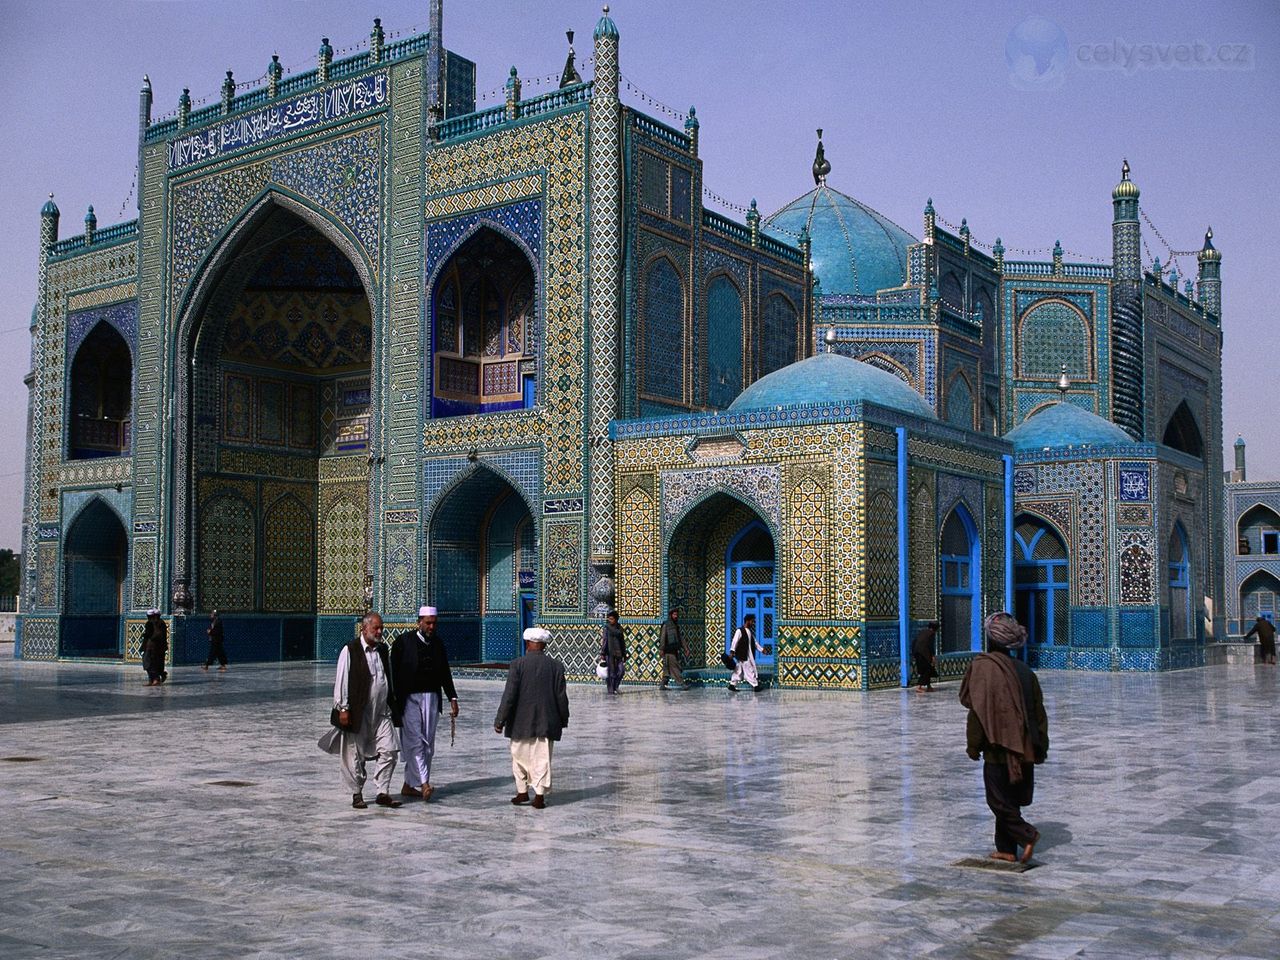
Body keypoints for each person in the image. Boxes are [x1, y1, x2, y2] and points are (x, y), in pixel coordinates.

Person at [959, 612, 1049, 864]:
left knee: (998, 800)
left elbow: (978, 710)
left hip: (997, 746)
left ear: (990, 639)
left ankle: (1026, 835)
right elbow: (1039, 712)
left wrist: (973, 744)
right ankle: (1007, 850)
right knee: (1010, 800)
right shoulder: (1025, 671)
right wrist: (1040, 745)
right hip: (1026, 745)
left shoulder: (984, 668)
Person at [494, 627, 570, 809]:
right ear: (544, 645)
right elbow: (561, 697)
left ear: (528, 643)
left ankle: (522, 792)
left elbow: (509, 695)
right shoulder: (556, 666)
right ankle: (539, 796)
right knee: (541, 758)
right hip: (546, 722)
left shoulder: (517, 665)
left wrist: (500, 720)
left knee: (519, 757)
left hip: (520, 722)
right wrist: (563, 718)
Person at [389, 605, 459, 802]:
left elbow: (445, 672)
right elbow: (393, 673)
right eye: (428, 623)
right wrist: (393, 700)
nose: (431, 627)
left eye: (434, 623)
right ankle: (424, 783)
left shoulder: (437, 644)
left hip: (431, 697)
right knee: (415, 741)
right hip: (409, 698)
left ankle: (409, 785)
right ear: (419, 622)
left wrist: (452, 697)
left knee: (428, 744)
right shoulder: (403, 642)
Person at [332, 612, 401, 810]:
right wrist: (343, 708)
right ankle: (357, 793)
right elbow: (342, 680)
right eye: (376, 628)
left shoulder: (382, 650)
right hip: (358, 712)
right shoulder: (350, 650)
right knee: (355, 754)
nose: (379, 632)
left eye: (381, 628)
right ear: (364, 628)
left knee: (389, 750)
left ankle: (382, 791)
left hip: (381, 712)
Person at [727, 613, 764, 692]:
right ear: (747, 621)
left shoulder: (749, 632)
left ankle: (732, 685)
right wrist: (732, 651)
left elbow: (755, 642)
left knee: (738, 670)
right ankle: (755, 685)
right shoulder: (739, 631)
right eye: (752, 621)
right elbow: (734, 641)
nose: (753, 623)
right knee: (749, 670)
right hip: (743, 655)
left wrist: (761, 649)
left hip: (745, 655)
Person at [659, 608, 691, 690]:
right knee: (675, 667)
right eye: (674, 614)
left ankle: (663, 685)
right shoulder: (666, 625)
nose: (676, 616)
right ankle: (682, 684)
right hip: (668, 651)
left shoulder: (675, 625)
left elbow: (680, 638)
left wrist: (686, 648)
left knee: (667, 669)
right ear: (671, 615)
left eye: (677, 615)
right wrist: (661, 649)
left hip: (674, 650)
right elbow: (662, 637)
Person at [601, 610, 626, 694]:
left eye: (612, 619)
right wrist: (603, 653)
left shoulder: (619, 629)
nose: (610, 620)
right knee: (611, 673)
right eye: (609, 619)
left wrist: (624, 654)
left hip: (618, 653)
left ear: (616, 619)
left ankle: (615, 686)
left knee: (621, 671)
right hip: (610, 653)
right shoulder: (607, 629)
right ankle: (611, 689)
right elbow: (605, 641)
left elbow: (622, 642)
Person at [141, 609, 168, 686]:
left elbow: (155, 635)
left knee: (150, 663)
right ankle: (154, 679)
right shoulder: (159, 623)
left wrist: (146, 636)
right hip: (155, 647)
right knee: (153, 663)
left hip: (153, 647)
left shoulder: (155, 623)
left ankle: (155, 679)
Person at [912, 621, 939, 692]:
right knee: (926, 670)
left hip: (917, 652)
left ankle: (929, 686)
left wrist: (914, 653)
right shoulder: (931, 634)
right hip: (924, 654)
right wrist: (933, 657)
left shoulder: (922, 632)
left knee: (927, 669)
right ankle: (919, 686)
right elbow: (930, 646)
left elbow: (914, 642)